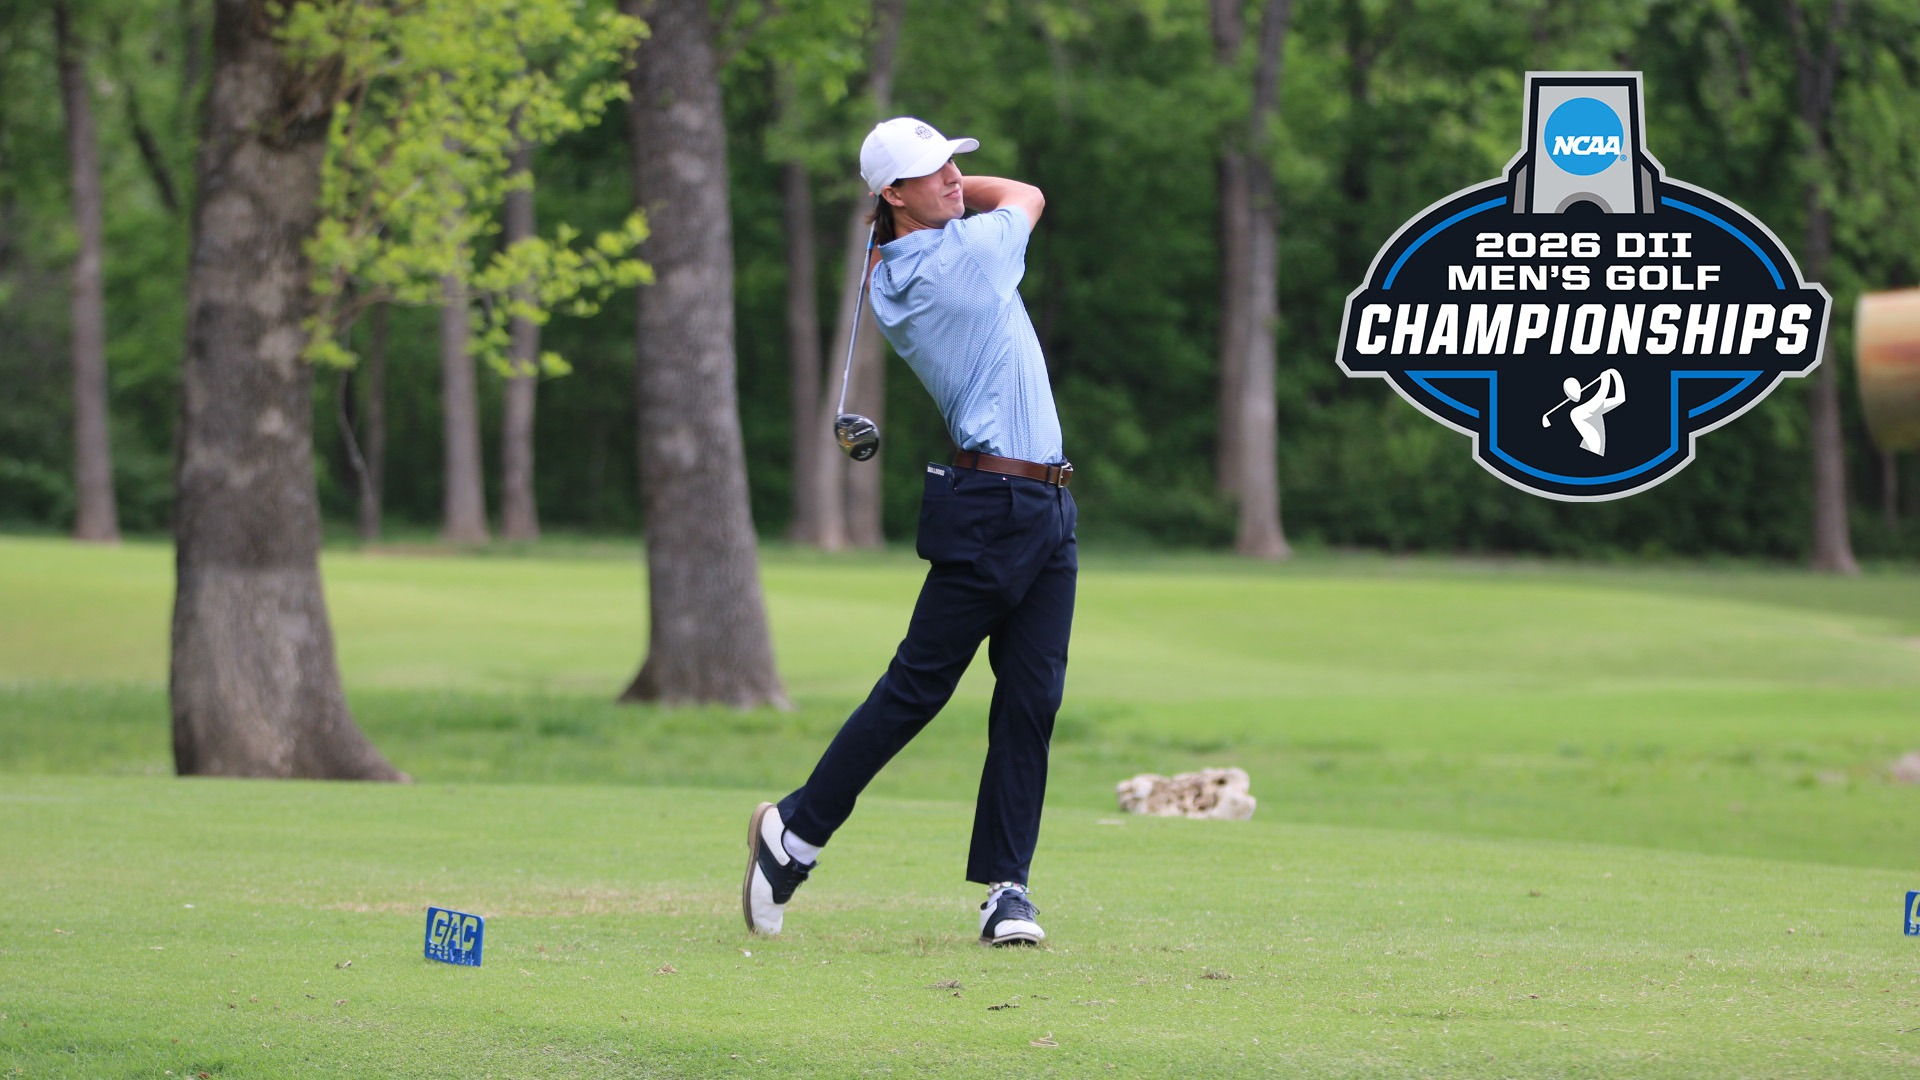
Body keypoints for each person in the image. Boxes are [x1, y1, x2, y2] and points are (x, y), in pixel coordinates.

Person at [743, 117, 1076, 947]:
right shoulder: (960, 262)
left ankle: (1008, 890)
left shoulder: (899, 261)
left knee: (1030, 702)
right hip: (998, 507)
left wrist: (933, 194)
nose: (958, 181)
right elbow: (1028, 195)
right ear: (892, 193)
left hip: (1046, 506)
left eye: (956, 164)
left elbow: (970, 203)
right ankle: (792, 835)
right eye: (934, 173)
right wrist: (965, 194)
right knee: (916, 690)